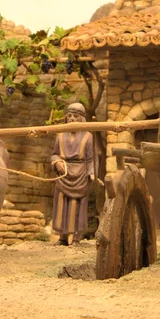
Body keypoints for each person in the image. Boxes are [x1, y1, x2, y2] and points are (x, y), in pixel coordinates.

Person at [50, 103, 95, 246]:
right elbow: (54, 154)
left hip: (81, 174)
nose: (72, 119)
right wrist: (57, 162)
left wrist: (91, 172)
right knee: (61, 204)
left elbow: (91, 158)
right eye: (69, 116)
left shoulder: (88, 137)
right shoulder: (60, 136)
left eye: (76, 116)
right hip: (64, 174)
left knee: (78, 205)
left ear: (82, 119)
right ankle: (62, 237)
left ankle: (76, 238)